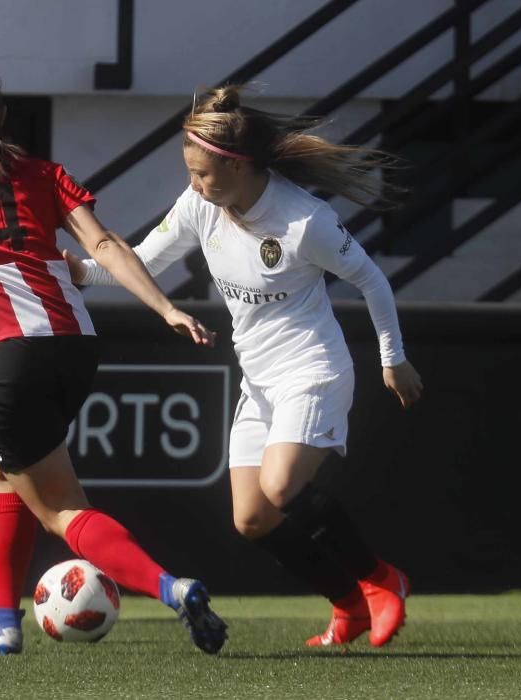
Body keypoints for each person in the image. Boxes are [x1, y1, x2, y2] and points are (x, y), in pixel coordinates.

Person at [0, 61, 227, 656]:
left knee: (61, 508)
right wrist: (164, 308)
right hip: (74, 346)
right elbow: (105, 245)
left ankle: (173, 588)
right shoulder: (40, 174)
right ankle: (1, 620)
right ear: (3, 118)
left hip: (0, 360)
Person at [67, 85, 423, 648]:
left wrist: (393, 359)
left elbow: (372, 281)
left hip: (312, 369)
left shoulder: (305, 221)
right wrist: (83, 272)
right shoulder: (199, 207)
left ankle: (382, 580)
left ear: (239, 166)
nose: (193, 184)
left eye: (203, 174)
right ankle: (347, 604)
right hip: (258, 383)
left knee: (280, 487)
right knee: (251, 518)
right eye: (189, 172)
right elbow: (145, 261)